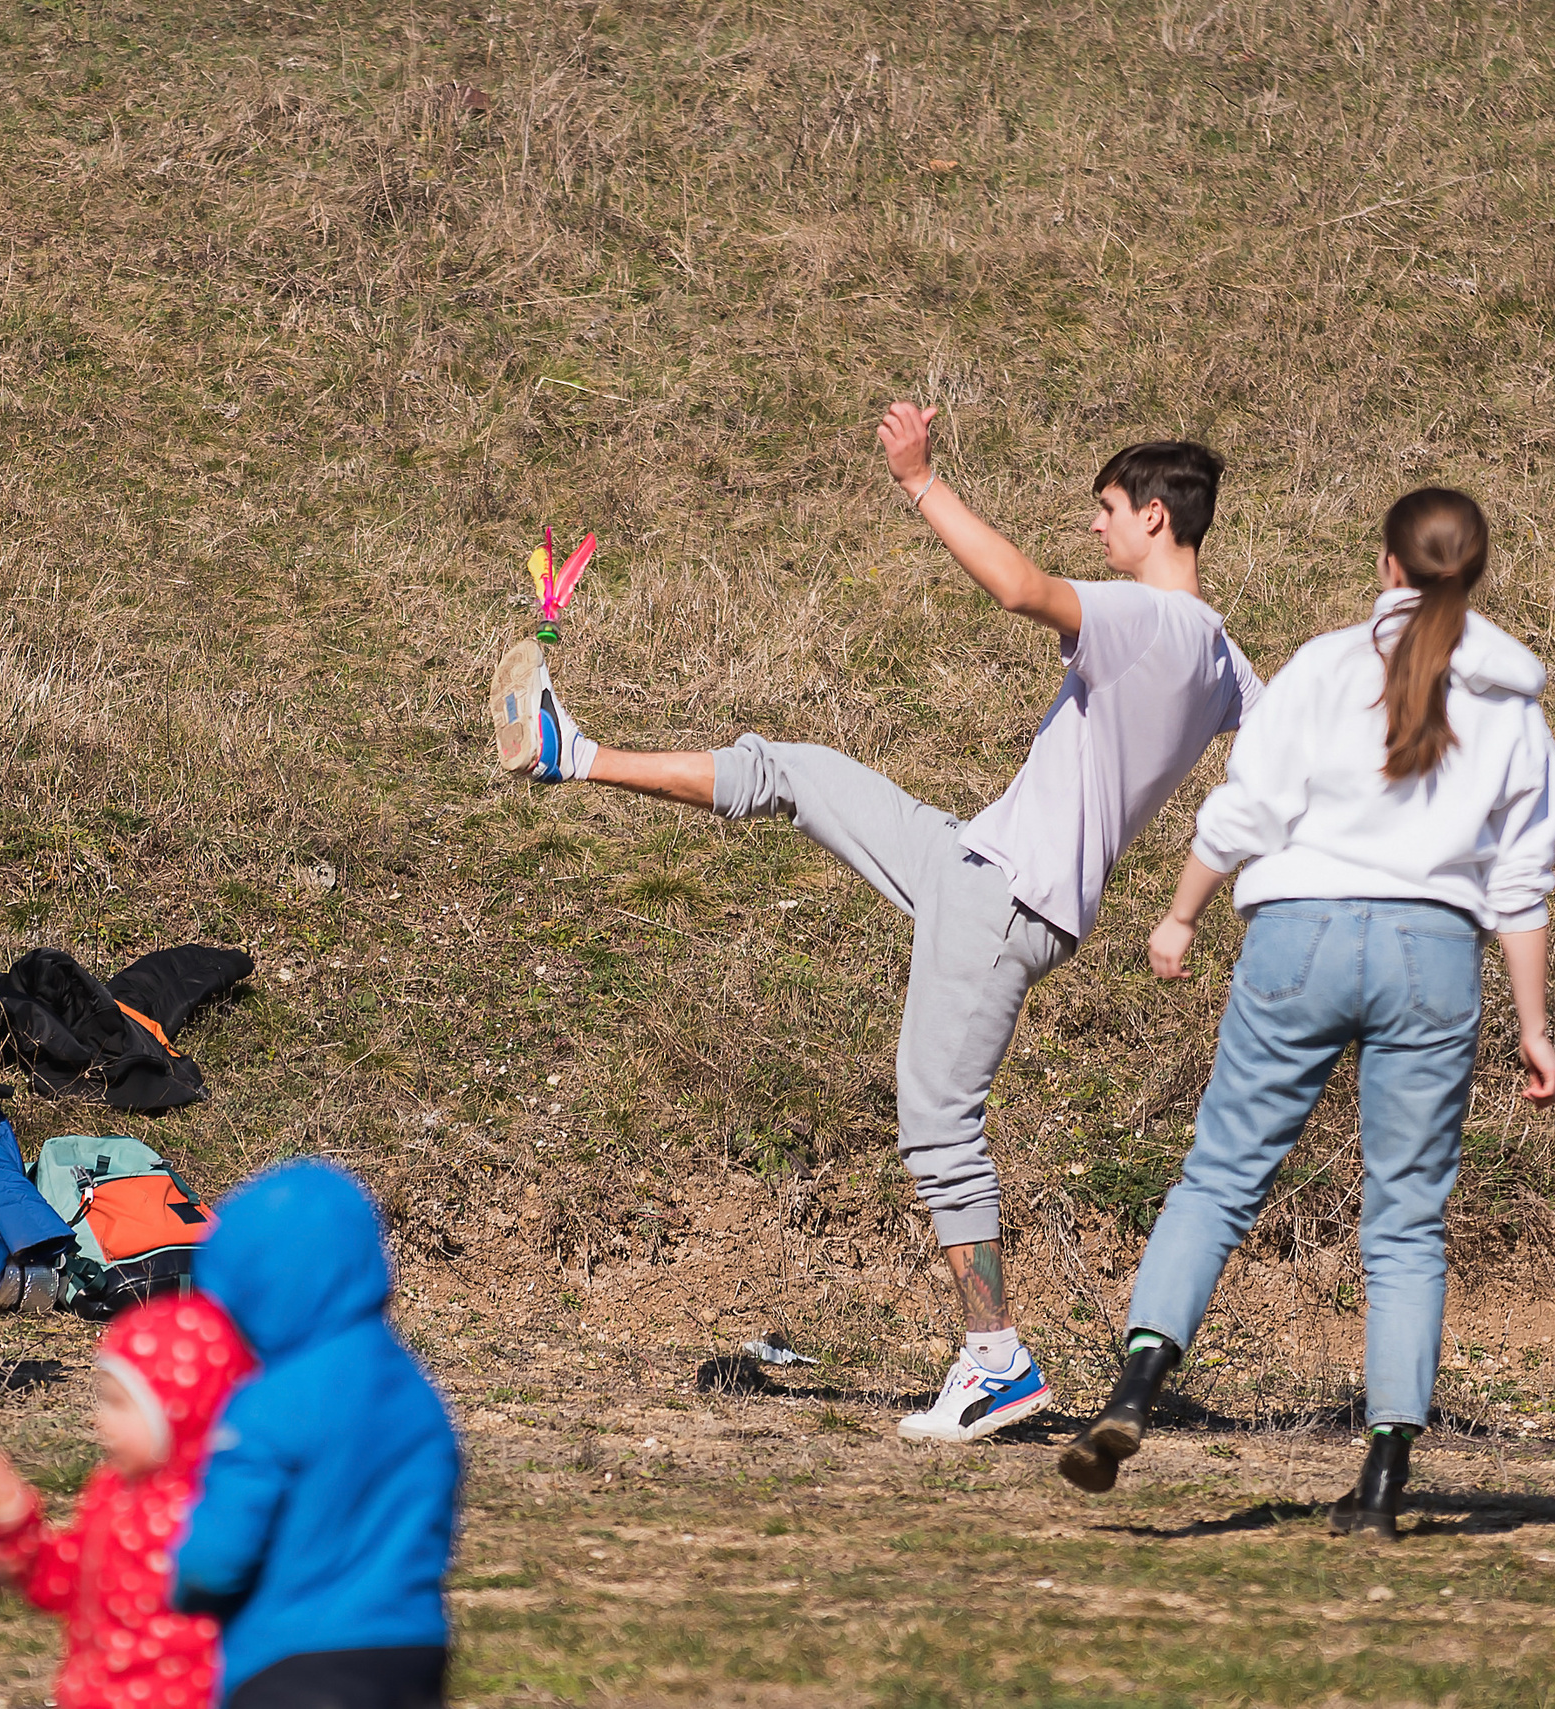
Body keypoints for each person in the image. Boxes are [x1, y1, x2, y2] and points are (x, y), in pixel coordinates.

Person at [488, 403, 1262, 1443]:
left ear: (1157, 520)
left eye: (1108, 510)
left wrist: (918, 478)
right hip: (971, 863)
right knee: (789, 772)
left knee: (937, 1118)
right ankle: (569, 752)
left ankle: (996, 1363)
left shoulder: (1151, 618)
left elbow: (1018, 588)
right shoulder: (1223, 659)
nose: (1097, 529)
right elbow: (1291, 743)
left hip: (1004, 900)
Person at [1058, 487, 1555, 1536]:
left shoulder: (1325, 666)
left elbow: (1250, 807)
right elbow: (1521, 882)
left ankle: (1135, 1387)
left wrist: (1180, 912)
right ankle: (1382, 1481)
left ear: (1385, 563)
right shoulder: (1514, 705)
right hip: (1432, 951)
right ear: (1471, 574)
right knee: (1406, 1222)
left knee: (1220, 1174)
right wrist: (1533, 1023)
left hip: (1299, 936)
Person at [171, 1160, 461, 1709]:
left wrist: (182, 1585)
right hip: (412, 1651)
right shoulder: (417, 1394)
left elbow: (216, 1559)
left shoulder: (270, 1403)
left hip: (288, 1664)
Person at [0, 1293, 253, 1709]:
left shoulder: (215, 1516)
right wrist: (17, 1524)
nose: (101, 1419)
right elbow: (65, 1585)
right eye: (103, 1400)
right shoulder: (112, 1491)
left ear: (182, 1408)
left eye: (120, 1404)